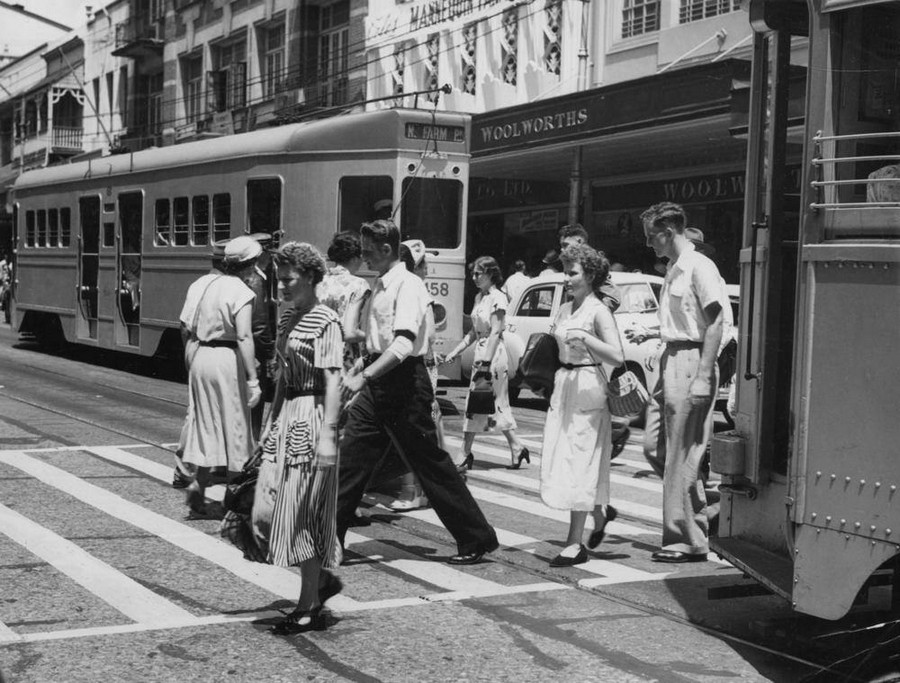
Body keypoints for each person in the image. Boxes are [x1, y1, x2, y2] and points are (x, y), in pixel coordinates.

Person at [338, 219, 499, 565]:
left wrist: (364, 376)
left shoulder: (408, 285)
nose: (363, 257)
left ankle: (476, 537)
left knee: (431, 464)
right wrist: (361, 366)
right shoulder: (380, 283)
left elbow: (402, 343)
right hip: (379, 378)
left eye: (368, 251)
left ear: (386, 250)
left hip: (404, 384)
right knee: (352, 457)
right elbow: (378, 341)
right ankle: (327, 538)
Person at [631, 202, 728, 563]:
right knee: (655, 448)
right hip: (672, 357)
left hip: (691, 361)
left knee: (680, 455)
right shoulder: (675, 268)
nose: (648, 244)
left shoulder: (699, 267)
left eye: (650, 237)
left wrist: (704, 374)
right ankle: (709, 508)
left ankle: (686, 539)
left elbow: (716, 322)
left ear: (667, 232)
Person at [256, 241, 343, 635]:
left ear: (310, 277)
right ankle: (319, 583)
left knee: (305, 511)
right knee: (279, 509)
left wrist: (328, 436)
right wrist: (268, 424)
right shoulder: (289, 318)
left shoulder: (327, 321)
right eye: (279, 278)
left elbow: (333, 381)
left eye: (289, 279)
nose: (282, 286)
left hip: (312, 417)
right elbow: (280, 377)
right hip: (289, 416)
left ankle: (308, 605)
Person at [540, 243, 624, 567]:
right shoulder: (564, 308)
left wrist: (586, 339)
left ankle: (574, 543)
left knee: (580, 463)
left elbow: (617, 355)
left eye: (572, 272)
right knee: (564, 459)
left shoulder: (598, 310)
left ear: (589, 275)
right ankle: (599, 517)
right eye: (565, 271)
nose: (566, 278)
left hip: (589, 390)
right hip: (564, 388)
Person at [178, 236, 262, 517]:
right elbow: (244, 335)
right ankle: (237, 500)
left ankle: (198, 488)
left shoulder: (205, 283)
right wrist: (253, 379)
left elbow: (187, 324)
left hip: (201, 355)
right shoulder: (241, 291)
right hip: (227, 359)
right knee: (236, 426)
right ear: (250, 265)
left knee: (205, 426)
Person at [440, 256, 529, 471]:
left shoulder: (498, 298)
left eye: (478, 273)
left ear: (490, 273)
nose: (474, 278)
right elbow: (473, 332)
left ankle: (464, 452)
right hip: (482, 352)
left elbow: (496, 331)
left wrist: (485, 363)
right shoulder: (480, 297)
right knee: (494, 404)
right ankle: (517, 447)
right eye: (473, 273)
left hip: (493, 355)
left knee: (478, 402)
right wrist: (454, 351)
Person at [387, 239, 443, 511]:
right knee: (418, 432)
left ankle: (415, 490)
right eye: (424, 264)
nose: (428, 270)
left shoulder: (402, 287)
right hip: (419, 364)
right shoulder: (416, 288)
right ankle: (417, 489)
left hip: (413, 365)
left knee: (417, 432)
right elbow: (430, 334)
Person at [318, 231, 371, 371]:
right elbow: (349, 332)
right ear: (354, 258)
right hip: (343, 358)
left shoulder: (319, 281)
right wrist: (370, 337)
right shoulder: (359, 284)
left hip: (317, 353)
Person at [242, 233, 277, 441]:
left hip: (245, 347)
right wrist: (269, 350)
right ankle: (252, 448)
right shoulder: (256, 278)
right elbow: (259, 323)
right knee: (255, 404)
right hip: (254, 349)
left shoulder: (249, 276)